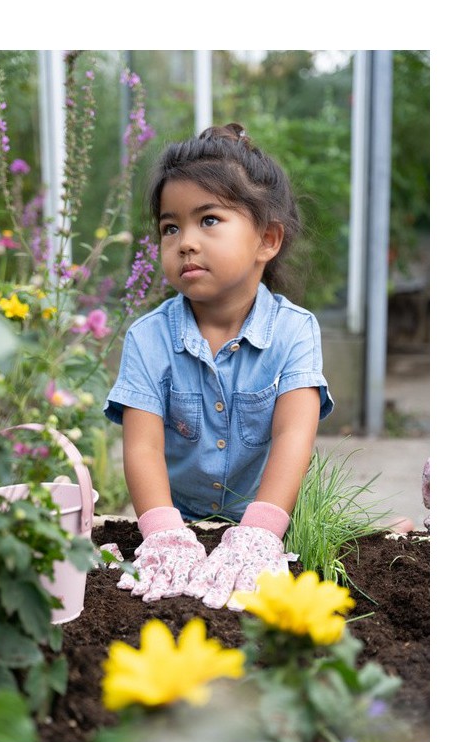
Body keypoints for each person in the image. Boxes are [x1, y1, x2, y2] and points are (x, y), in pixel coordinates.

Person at [103, 122, 334, 609]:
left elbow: (295, 435)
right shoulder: (148, 339)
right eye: (171, 227)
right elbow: (142, 447)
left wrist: (259, 534)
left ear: (267, 240)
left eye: (208, 220)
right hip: (179, 523)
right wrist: (165, 535)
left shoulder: (294, 331)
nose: (185, 241)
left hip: (270, 522)